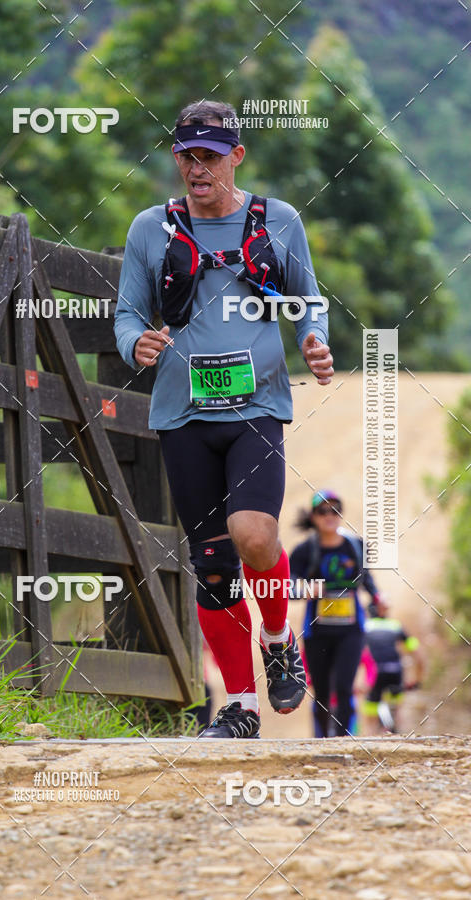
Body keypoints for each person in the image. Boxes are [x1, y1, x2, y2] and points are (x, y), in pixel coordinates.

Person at [114, 99, 333, 738]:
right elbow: (128, 312)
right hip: (182, 414)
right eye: (187, 155)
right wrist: (135, 344)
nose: (196, 167)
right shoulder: (150, 229)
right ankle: (239, 707)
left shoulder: (278, 222)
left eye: (209, 156)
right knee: (211, 564)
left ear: (237, 156)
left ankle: (277, 637)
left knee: (255, 535)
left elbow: (307, 300)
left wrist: (313, 340)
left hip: (257, 406)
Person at [290, 490, 380, 737]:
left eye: (335, 510)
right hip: (316, 632)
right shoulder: (304, 551)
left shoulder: (356, 546)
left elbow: (367, 580)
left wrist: (378, 598)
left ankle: (342, 742)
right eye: (323, 511)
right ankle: (322, 742)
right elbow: (287, 586)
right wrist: (306, 588)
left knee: (344, 688)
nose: (330, 516)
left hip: (351, 631)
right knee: (321, 693)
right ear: (313, 516)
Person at [362, 594, 424, 734]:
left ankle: (371, 745)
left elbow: (359, 657)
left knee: (370, 717)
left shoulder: (364, 627)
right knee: (397, 711)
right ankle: (397, 737)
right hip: (395, 672)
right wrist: (417, 680)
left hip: (375, 675)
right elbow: (418, 655)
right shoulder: (396, 626)